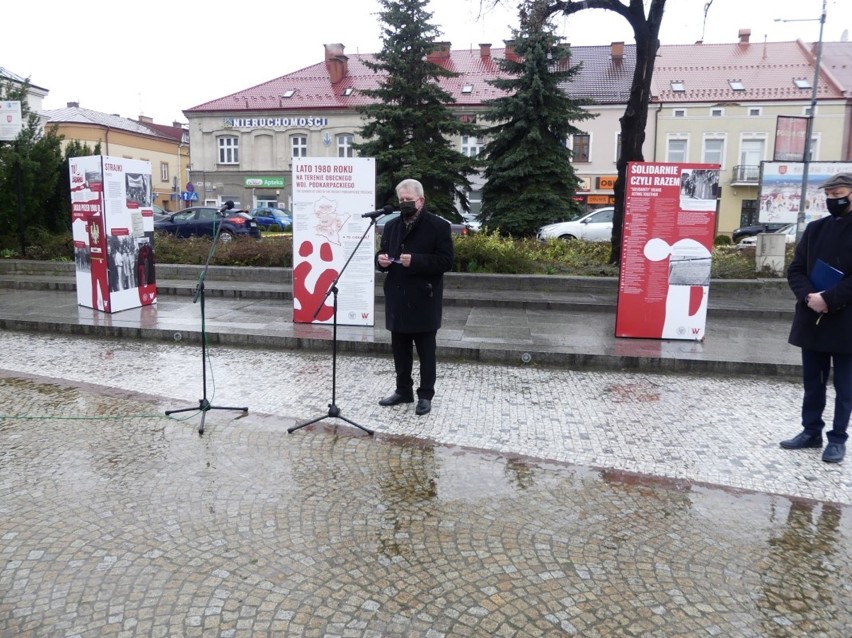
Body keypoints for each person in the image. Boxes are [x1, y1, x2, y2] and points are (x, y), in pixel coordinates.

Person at [782, 172, 852, 464]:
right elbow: (796, 269)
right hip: (812, 316)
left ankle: (837, 439)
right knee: (814, 382)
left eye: (839, 195)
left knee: (846, 386)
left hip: (846, 321)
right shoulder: (815, 229)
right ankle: (811, 431)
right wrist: (810, 296)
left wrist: (830, 299)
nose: (833, 200)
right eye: (830, 195)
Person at [375, 179, 454, 416]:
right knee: (400, 349)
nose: (404, 204)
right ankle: (403, 391)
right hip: (397, 298)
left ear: (421, 200)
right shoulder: (391, 226)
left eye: (409, 200)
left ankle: (425, 395)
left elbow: (446, 261)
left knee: (426, 351)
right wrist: (381, 261)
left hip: (424, 299)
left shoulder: (438, 226)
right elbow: (383, 253)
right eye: (401, 200)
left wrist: (417, 260)